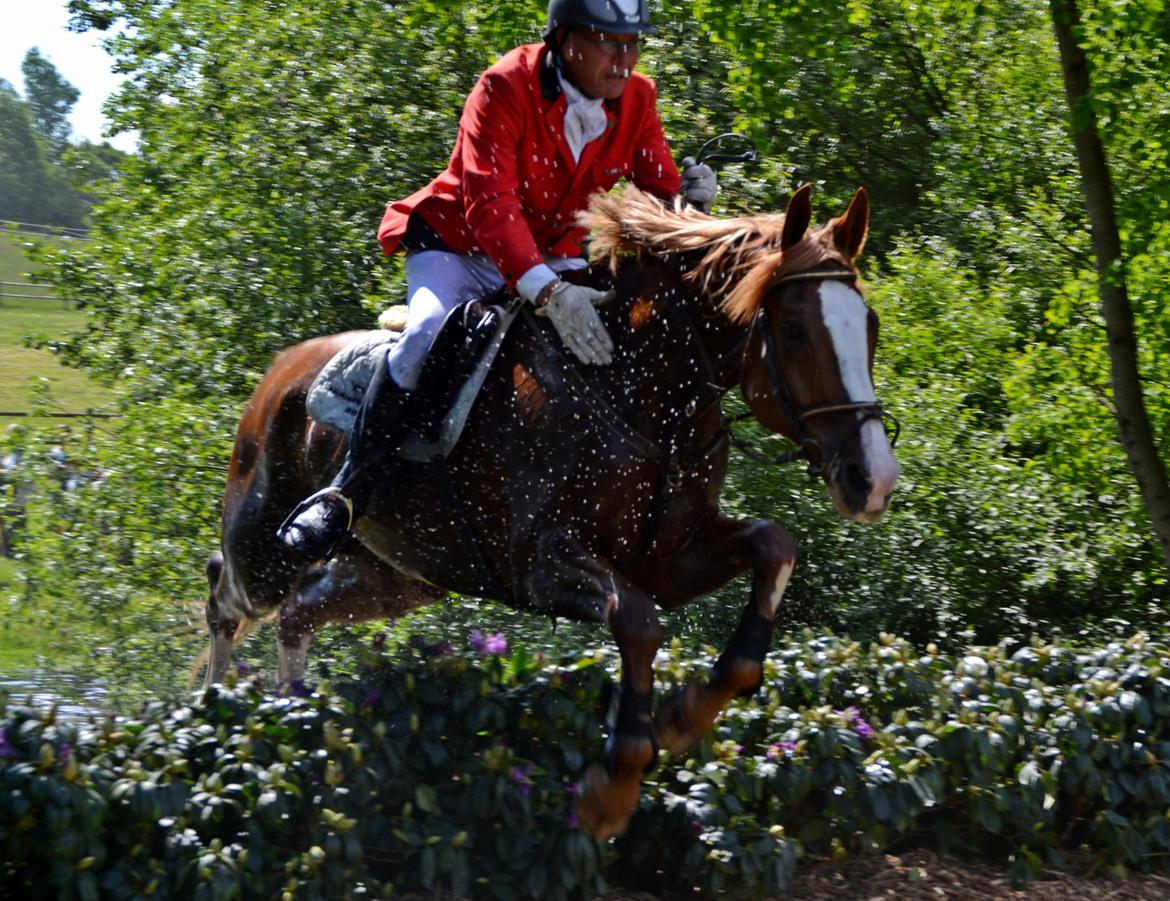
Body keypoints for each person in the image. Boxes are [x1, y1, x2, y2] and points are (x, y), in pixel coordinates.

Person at [278, 0, 718, 559]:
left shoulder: (639, 97)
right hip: (461, 246)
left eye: (633, 44)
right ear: (566, 41)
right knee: (427, 333)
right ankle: (345, 494)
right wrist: (551, 294)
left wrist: (687, 207)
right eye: (610, 41)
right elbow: (490, 206)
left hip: (550, 255)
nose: (624, 59)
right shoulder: (504, 85)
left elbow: (654, 197)